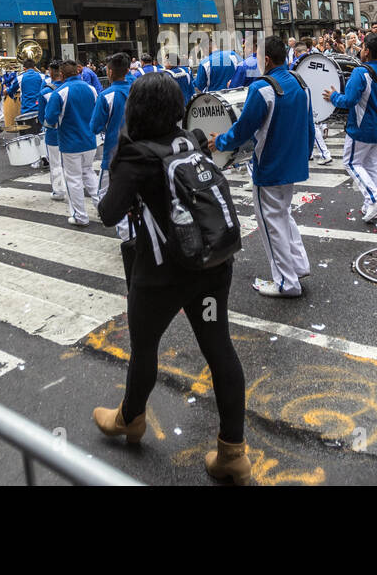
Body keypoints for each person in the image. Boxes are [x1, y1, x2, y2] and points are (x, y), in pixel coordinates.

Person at [94, 72, 248, 484]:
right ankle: (232, 452)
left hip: (159, 276)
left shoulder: (135, 156)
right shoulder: (192, 141)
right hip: (211, 268)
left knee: (145, 348)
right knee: (220, 350)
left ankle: (130, 418)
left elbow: (109, 213)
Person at [209, 36, 312, 298]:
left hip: (269, 166)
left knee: (270, 222)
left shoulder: (262, 89)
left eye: (256, 56)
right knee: (283, 214)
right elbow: (309, 127)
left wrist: (219, 142)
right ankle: (298, 265)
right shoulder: (301, 83)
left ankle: (286, 282)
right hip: (292, 162)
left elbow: (243, 129)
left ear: (266, 60)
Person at [325, 32, 377, 222]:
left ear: (367, 51)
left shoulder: (360, 72)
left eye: (363, 47)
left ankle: (374, 199)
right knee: (371, 165)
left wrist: (333, 96)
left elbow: (349, 100)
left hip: (362, 128)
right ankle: (370, 205)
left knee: (351, 163)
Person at [46, 59, 99, 226]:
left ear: (61, 75)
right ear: (78, 71)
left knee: (74, 180)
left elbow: (49, 120)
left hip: (70, 142)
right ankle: (103, 210)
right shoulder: (91, 89)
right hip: (90, 140)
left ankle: (80, 216)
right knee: (89, 173)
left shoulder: (60, 92)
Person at [89, 53, 132, 219]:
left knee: (104, 191)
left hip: (114, 151)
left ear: (109, 72)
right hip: (139, 147)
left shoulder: (106, 95)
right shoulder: (139, 89)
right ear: (128, 70)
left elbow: (95, 127)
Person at [289, 38, 333, 165]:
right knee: (312, 126)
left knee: (313, 127)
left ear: (296, 52)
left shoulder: (296, 63)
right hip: (317, 95)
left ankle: (325, 154)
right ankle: (310, 154)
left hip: (304, 97)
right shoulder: (315, 58)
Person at [40, 61, 66, 195]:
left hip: (53, 133)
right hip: (71, 132)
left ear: (50, 72)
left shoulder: (45, 92)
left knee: (55, 163)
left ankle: (58, 191)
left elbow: (42, 117)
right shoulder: (71, 88)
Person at [6, 57, 45, 134]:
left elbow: (11, 91)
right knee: (41, 133)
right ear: (34, 67)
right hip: (41, 109)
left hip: (27, 110)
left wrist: (8, 92)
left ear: (24, 68)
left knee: (29, 134)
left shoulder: (20, 77)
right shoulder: (42, 76)